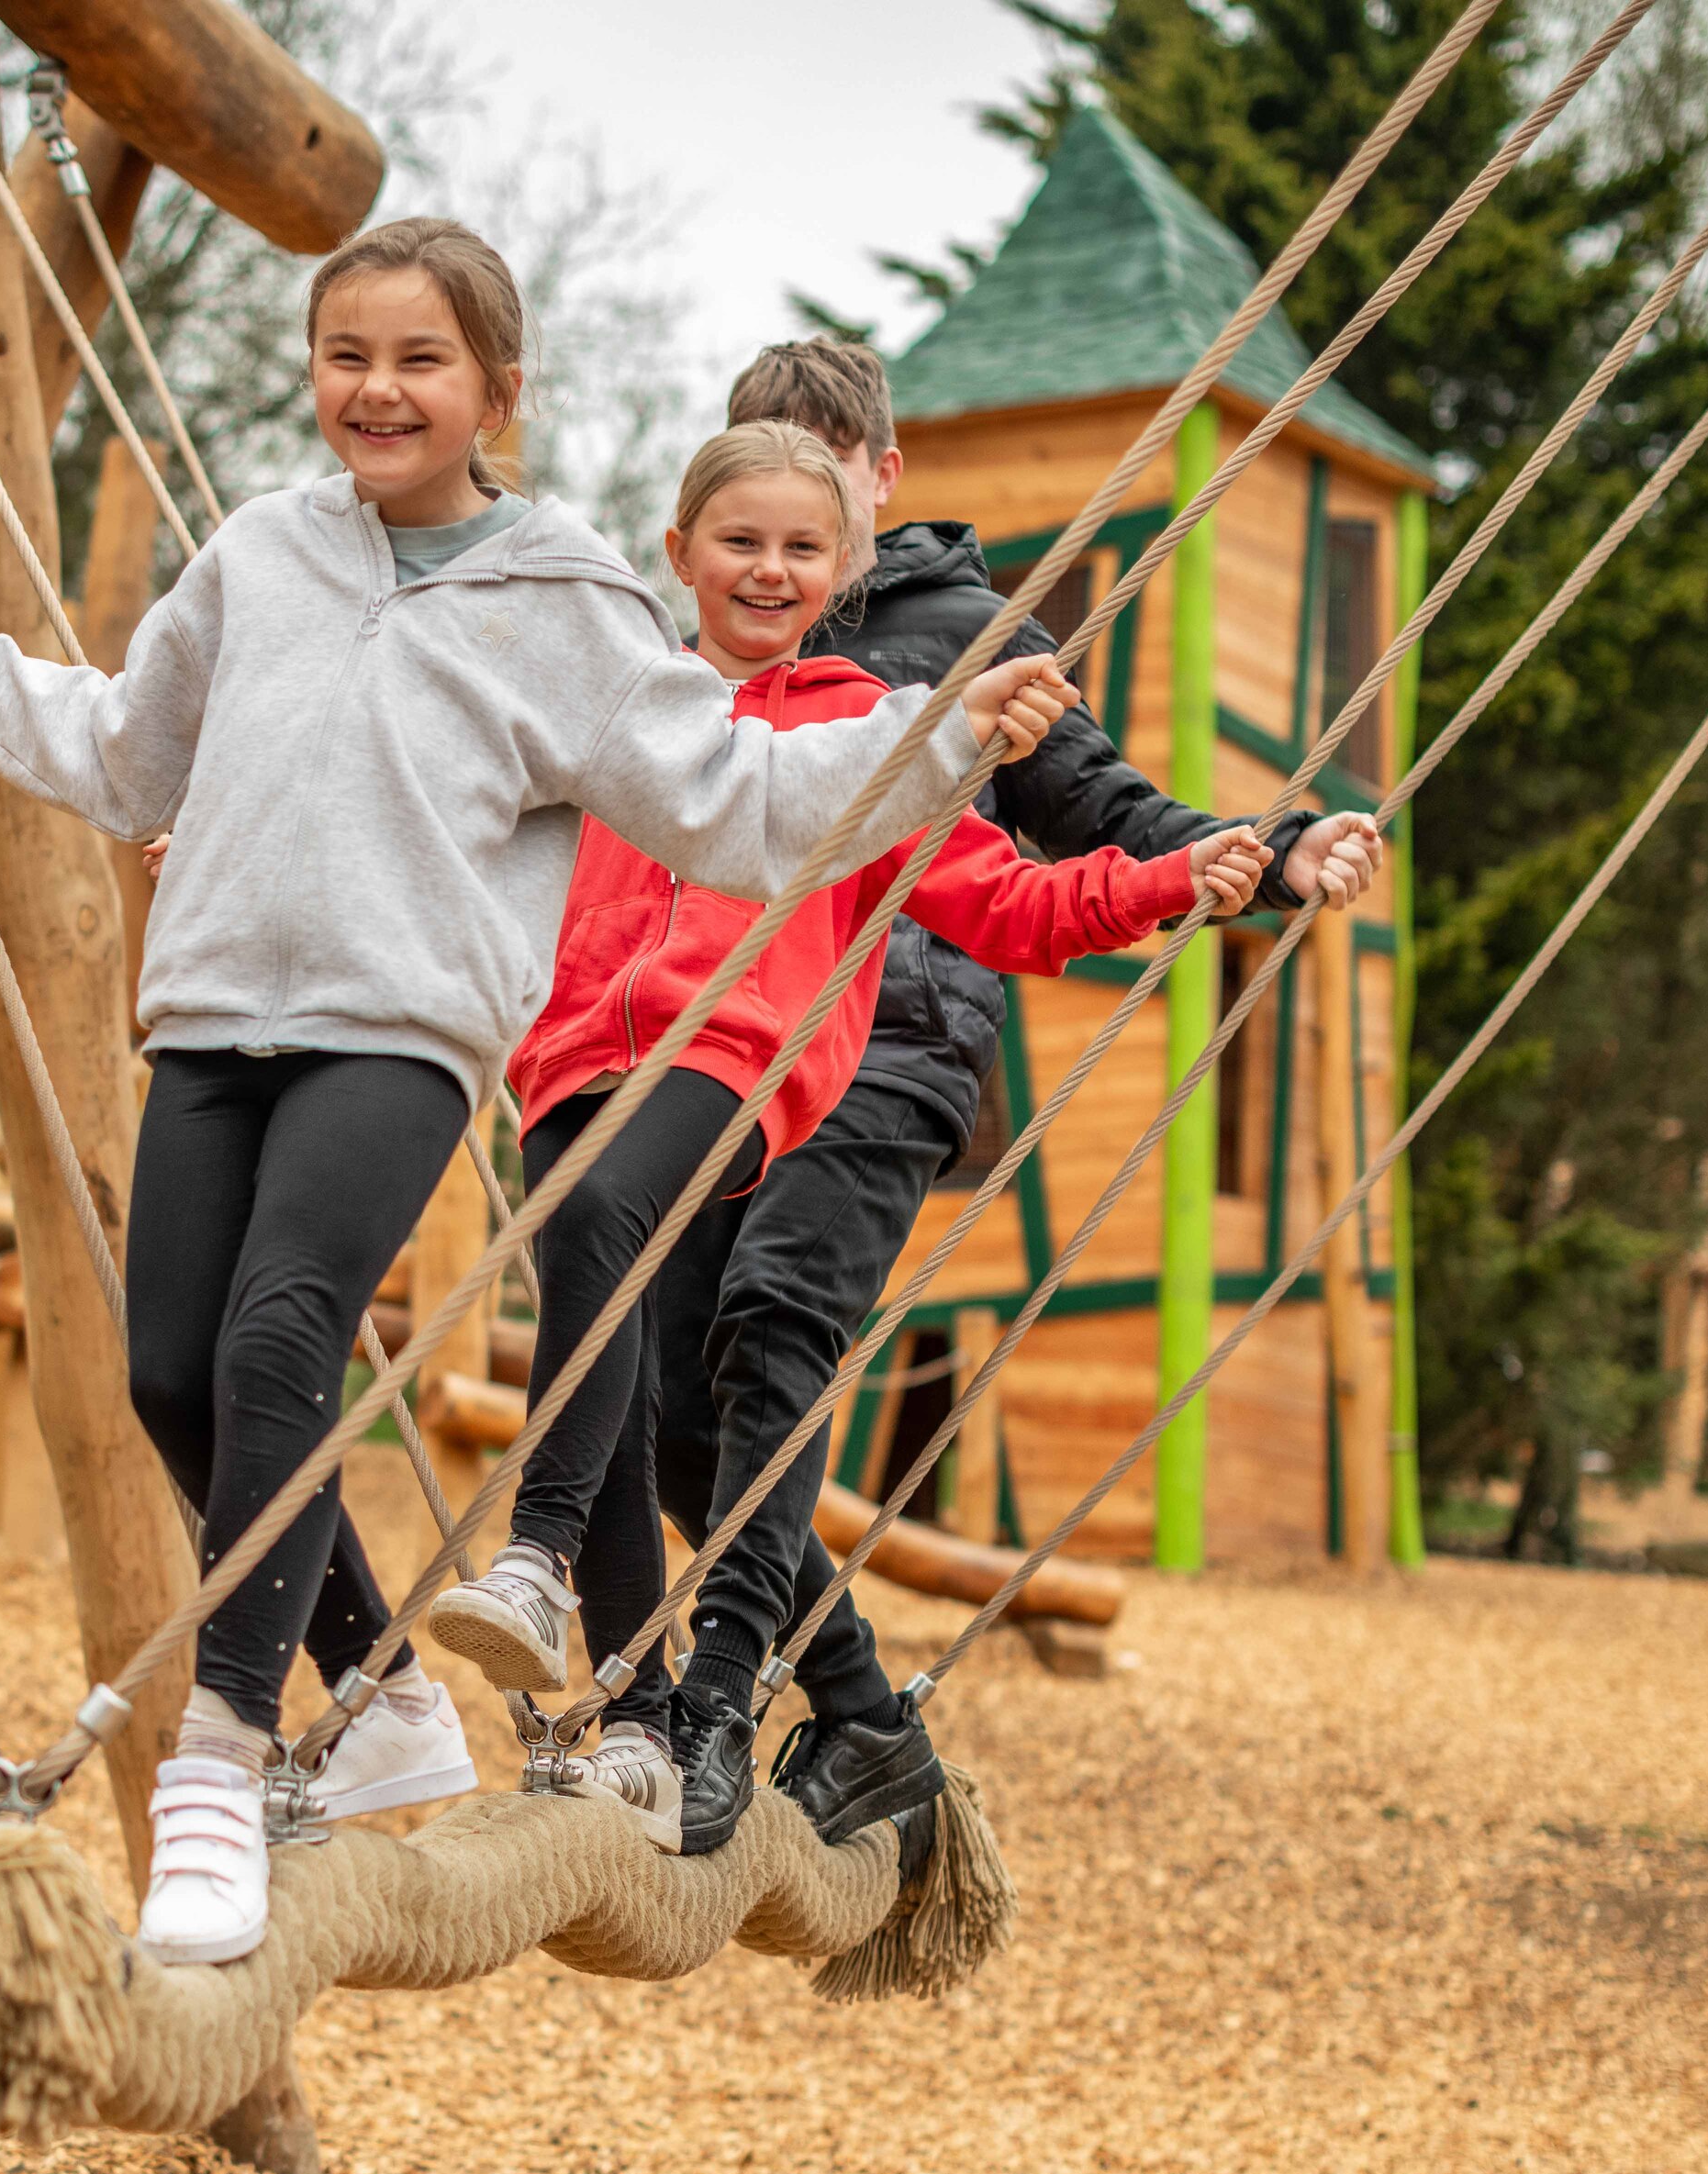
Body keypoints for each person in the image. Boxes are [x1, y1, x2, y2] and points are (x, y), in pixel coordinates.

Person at [0, 224, 1077, 1964]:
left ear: (495, 392)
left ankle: (223, 1758)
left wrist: (947, 738)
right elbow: (134, 745)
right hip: (206, 1017)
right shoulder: (261, 553)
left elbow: (733, 796)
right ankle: (380, 1688)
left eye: (420, 360)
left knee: (284, 1344)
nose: (378, 389)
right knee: (167, 1380)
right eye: (346, 354)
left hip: (399, 1029)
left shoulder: (559, 592)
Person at [425, 420, 1267, 1849]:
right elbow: (459, 842)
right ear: (679, 552)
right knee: (632, 1395)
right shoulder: (618, 708)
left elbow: (1009, 902)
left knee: (605, 1241)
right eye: (737, 541)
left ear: (843, 569)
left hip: (733, 1062)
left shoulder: (866, 736)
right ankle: (634, 1723)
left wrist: (1170, 880)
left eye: (799, 548)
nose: (765, 569)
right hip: (572, 1061)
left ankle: (538, 1556)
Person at [619, 338, 1382, 1856]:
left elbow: (1097, 809)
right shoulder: (701, 651)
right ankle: (859, 1721)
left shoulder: (960, 631)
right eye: (754, 485)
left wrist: (1269, 844)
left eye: (822, 483)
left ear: (879, 479)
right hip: (722, 1038)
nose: (787, 530)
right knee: (658, 1400)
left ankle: (711, 1703)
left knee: (776, 1322)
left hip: (895, 1028)